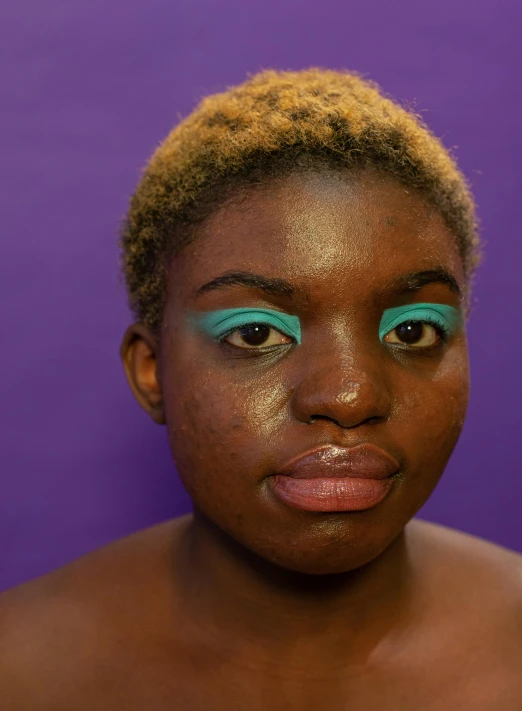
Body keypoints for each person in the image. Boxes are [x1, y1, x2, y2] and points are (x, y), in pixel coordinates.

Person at [1, 68, 521, 710]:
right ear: (152, 370)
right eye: (253, 334)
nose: (350, 395)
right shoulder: (20, 672)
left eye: (413, 329)